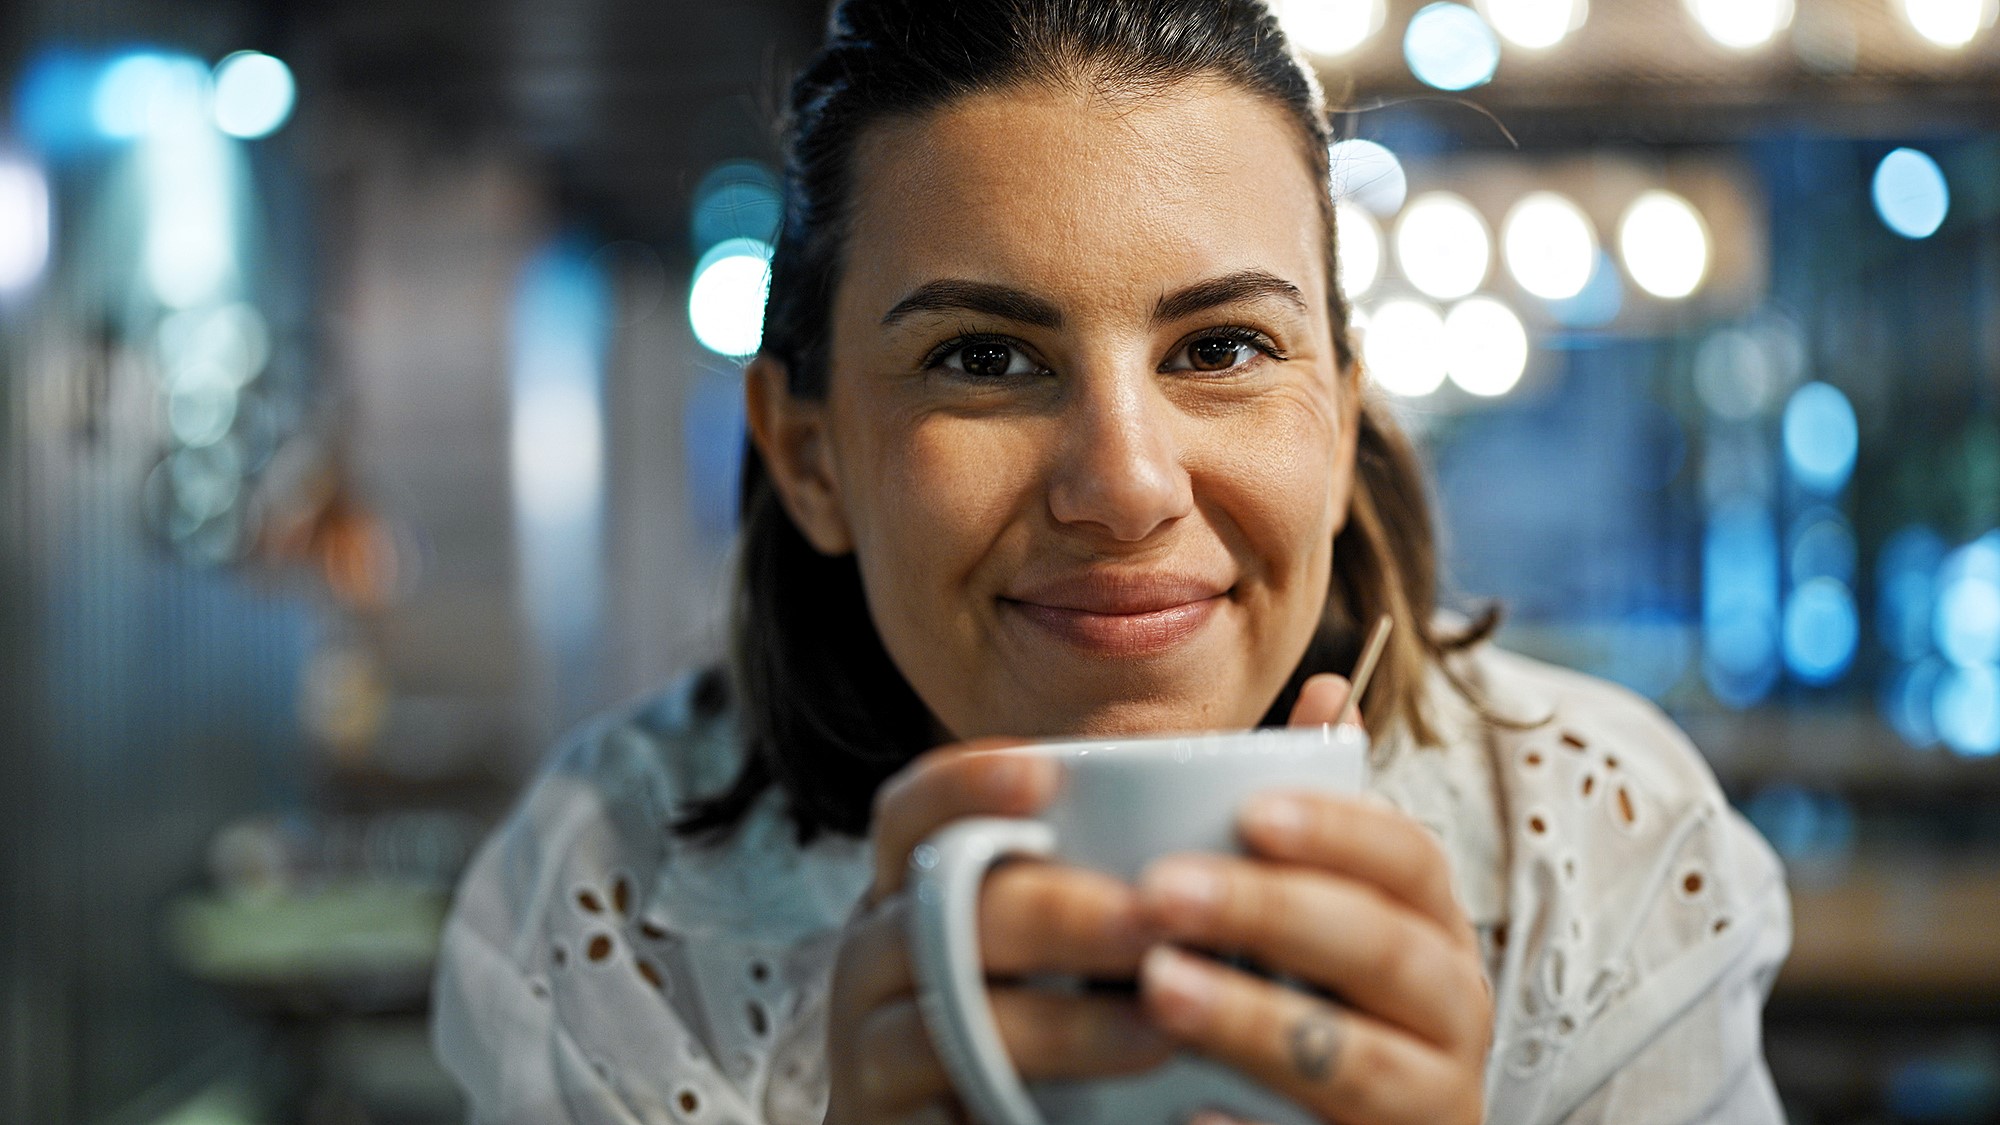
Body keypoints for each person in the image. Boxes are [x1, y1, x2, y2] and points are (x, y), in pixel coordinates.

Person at [430, 1, 1791, 1122]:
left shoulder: (1600, 857)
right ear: (810, 456)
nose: (1126, 487)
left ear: (1341, 422)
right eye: (983, 358)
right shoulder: (602, 904)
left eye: (1220, 349)